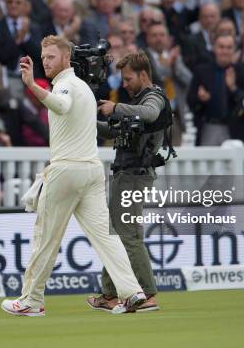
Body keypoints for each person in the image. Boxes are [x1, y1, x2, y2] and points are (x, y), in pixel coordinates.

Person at [0, 35, 146, 316]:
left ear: (67, 58)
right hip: (91, 171)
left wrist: (31, 85)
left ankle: (31, 301)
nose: (46, 62)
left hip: (67, 170)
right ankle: (131, 292)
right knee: (106, 236)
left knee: (45, 239)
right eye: (43, 58)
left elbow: (61, 106)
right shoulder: (82, 88)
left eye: (51, 57)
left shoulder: (66, 85)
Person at [87, 51, 166, 312]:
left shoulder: (152, 97)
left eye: (128, 78)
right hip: (127, 173)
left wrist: (115, 108)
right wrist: (90, 120)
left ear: (143, 75)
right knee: (117, 235)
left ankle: (148, 294)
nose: (124, 84)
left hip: (134, 175)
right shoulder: (139, 100)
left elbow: (151, 114)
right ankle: (109, 295)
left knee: (127, 236)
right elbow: (114, 130)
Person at [187, 34, 244, 146]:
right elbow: (190, 100)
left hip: (234, 129)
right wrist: (201, 99)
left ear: (234, 49)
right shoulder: (201, 71)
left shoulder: (242, 71)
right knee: (206, 162)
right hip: (208, 126)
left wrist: (233, 88)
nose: (225, 51)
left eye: (229, 47)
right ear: (214, 48)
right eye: (221, 47)